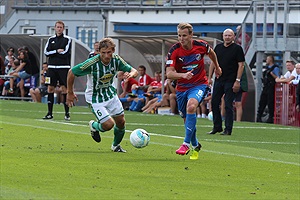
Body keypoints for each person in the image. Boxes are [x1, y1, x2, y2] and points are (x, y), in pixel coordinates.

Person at [66, 37, 138, 153]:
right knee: (108, 125)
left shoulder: (116, 60)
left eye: (109, 52)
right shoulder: (92, 63)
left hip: (110, 94)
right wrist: (70, 93)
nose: (106, 56)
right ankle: (94, 126)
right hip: (95, 98)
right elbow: (71, 72)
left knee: (121, 122)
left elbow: (134, 71)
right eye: (103, 53)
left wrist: (131, 75)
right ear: (98, 52)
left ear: (113, 50)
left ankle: (116, 146)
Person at [166, 22, 221, 160]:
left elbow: (211, 53)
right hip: (182, 88)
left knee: (191, 106)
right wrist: (182, 75)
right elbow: (169, 74)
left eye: (184, 35)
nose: (181, 38)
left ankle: (185, 144)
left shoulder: (201, 45)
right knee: (187, 120)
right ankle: (195, 144)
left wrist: (217, 67)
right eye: (179, 35)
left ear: (191, 35)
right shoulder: (174, 51)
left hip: (199, 84)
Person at [207, 28, 245, 135]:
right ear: (223, 36)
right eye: (225, 35)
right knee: (214, 102)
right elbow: (213, 63)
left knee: (228, 105)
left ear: (233, 37)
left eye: (229, 35)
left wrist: (237, 81)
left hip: (231, 81)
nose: (227, 37)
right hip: (219, 80)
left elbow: (241, 65)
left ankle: (228, 129)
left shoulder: (237, 49)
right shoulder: (218, 48)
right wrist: (210, 77)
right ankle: (217, 126)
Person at [43, 20, 72, 120]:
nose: (59, 29)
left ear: (63, 29)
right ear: (54, 28)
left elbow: (66, 53)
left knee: (64, 89)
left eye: (61, 27)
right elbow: (46, 53)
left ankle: (67, 113)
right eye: (57, 27)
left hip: (63, 68)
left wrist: (55, 53)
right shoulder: (51, 40)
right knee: (50, 88)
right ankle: (49, 113)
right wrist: (57, 51)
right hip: (52, 68)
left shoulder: (67, 39)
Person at [256, 55, 280, 123]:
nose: (266, 61)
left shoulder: (275, 68)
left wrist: (272, 74)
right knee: (262, 102)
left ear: (270, 60)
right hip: (265, 87)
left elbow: (277, 78)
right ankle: (259, 116)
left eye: (267, 59)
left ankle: (270, 117)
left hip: (271, 87)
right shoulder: (266, 68)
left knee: (270, 102)